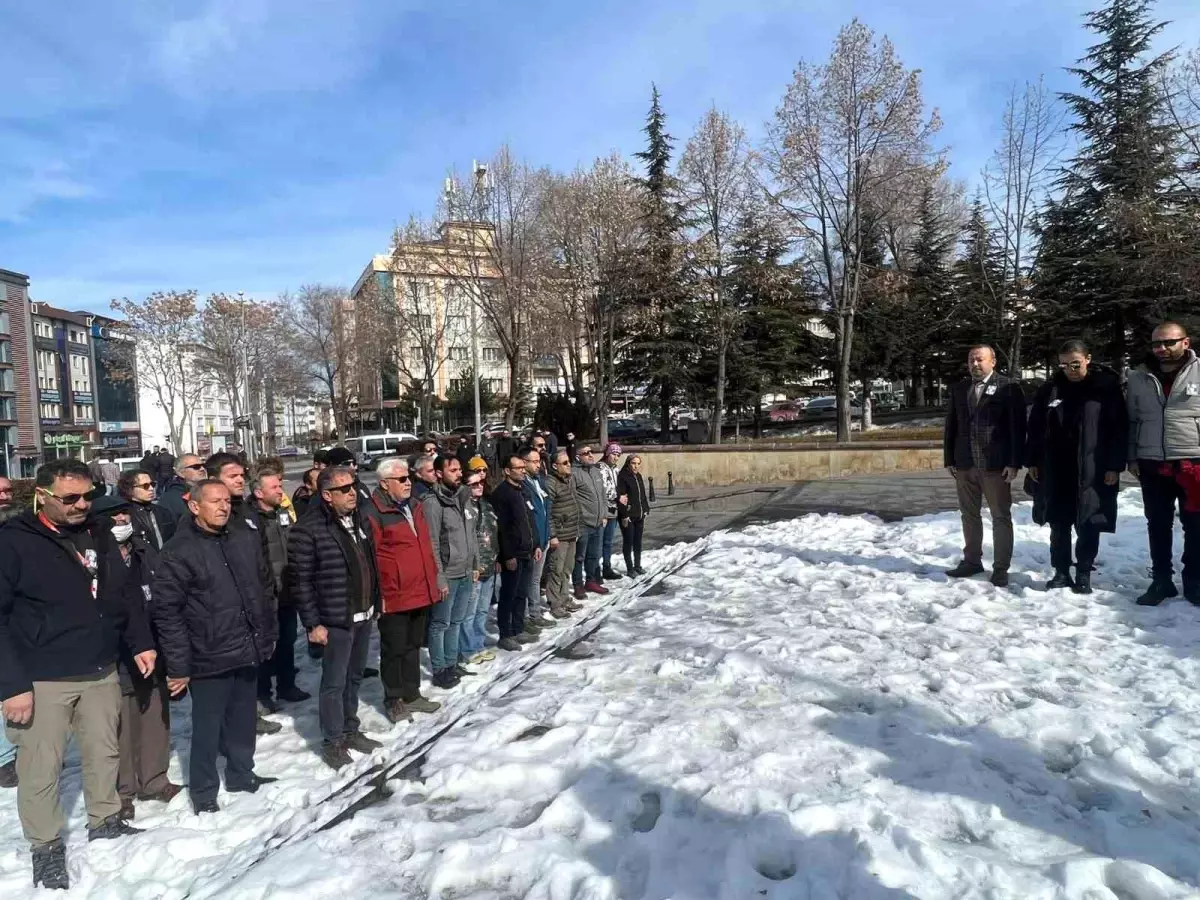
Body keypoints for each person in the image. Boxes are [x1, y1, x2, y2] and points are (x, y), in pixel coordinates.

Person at [0, 460, 152, 889]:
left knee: (103, 752)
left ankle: (104, 819)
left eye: (88, 496)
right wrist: (11, 686)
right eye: (70, 498)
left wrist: (140, 642)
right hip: (40, 678)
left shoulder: (98, 531)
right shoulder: (13, 542)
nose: (82, 505)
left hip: (99, 667)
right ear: (42, 496)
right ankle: (45, 846)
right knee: (40, 768)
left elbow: (123, 594)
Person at [153, 480, 278, 814]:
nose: (224, 507)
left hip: (246, 644)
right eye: (214, 502)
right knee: (207, 727)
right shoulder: (178, 551)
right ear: (194, 507)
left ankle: (241, 773)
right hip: (208, 653)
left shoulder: (244, 537)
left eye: (227, 501)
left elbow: (263, 586)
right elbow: (167, 614)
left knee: (243, 718)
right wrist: (179, 665)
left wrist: (267, 631)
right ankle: (204, 791)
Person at [90, 496, 183, 820]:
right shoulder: (94, 555)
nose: (120, 520)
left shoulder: (144, 550)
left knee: (155, 717)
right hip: (114, 654)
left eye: (123, 513)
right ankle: (123, 790)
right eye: (112, 516)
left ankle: (155, 780)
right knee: (120, 726)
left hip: (153, 646)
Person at [288, 467, 383, 769]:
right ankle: (333, 741)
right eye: (344, 489)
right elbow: (301, 582)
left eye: (354, 486)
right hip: (335, 618)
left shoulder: (358, 521)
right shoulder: (308, 529)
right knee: (334, 682)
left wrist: (376, 600)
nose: (353, 492)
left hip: (363, 612)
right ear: (327, 495)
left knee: (355, 677)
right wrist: (313, 624)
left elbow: (369, 564)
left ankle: (350, 728)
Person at [1025, 341, 1127, 595]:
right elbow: (1035, 426)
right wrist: (1032, 461)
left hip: (1093, 467)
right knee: (1058, 522)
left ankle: (1083, 571)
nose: (1069, 369)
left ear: (1087, 359)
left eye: (1075, 363)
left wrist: (1115, 465)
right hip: (1055, 468)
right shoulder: (1051, 389)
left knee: (1088, 521)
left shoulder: (1105, 388)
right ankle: (1061, 572)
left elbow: (1118, 428)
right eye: (1063, 364)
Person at [205, 453, 284, 734]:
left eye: (241, 474)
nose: (240, 480)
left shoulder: (247, 515)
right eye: (232, 476)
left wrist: (267, 596)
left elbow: (261, 561)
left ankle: (248, 717)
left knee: (251, 668)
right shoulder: (206, 517)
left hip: (255, 604)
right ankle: (229, 729)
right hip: (224, 613)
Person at [362, 458, 443, 722]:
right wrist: (378, 595)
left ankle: (412, 693)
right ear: (385, 484)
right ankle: (393, 698)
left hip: (419, 589)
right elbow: (369, 558)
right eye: (402, 479)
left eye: (409, 477)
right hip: (393, 595)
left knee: (412, 646)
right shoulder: (372, 513)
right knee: (394, 649)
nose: (409, 482)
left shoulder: (415, 506)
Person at [1126, 322, 1200, 605]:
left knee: (1196, 525)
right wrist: (1132, 456)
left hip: (1193, 461)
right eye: (1157, 343)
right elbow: (1132, 420)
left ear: (1185, 342)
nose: (1162, 349)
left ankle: (1194, 581)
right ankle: (1161, 580)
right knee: (1157, 524)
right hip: (1152, 462)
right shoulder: (1138, 377)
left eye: (1169, 342)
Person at [943, 345, 1027, 588]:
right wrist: (949, 458)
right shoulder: (960, 389)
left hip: (995, 465)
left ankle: (1001, 567)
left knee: (1000, 516)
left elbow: (1017, 428)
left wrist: (1014, 462)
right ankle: (971, 561)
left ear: (993, 361)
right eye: (971, 360)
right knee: (969, 515)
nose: (975, 364)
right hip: (965, 464)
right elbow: (952, 425)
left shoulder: (1008, 388)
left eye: (980, 359)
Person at [247, 466, 310, 708]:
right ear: (259, 493)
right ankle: (263, 694)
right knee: (266, 646)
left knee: (287, 640)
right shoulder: (250, 518)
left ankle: (287, 686)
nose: (280, 491)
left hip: (287, 590)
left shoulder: (283, 512)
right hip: (265, 593)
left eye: (280, 485)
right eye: (274, 487)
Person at [422, 456, 476, 688]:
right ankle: (440, 668)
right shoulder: (433, 503)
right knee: (441, 623)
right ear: (438, 473)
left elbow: (470, 533)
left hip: (465, 571)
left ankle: (452, 662)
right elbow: (432, 542)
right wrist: (439, 576)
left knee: (457, 621)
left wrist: (474, 565)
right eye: (452, 470)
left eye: (459, 469)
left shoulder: (463, 497)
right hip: (448, 573)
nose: (458, 473)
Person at [491, 455, 541, 651]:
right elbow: (501, 528)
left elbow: (530, 519)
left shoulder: (524, 489)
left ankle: (518, 628)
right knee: (508, 594)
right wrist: (507, 555)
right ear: (507, 471)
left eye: (523, 467)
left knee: (522, 593)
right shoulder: (502, 494)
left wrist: (536, 544)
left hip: (528, 550)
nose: (522, 470)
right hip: (513, 553)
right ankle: (506, 633)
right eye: (517, 467)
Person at [461, 465, 499, 665]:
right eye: (473, 484)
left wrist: (497, 558)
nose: (479, 486)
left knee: (483, 610)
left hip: (491, 564)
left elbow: (493, 534)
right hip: (474, 567)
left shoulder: (486, 504)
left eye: (481, 483)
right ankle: (467, 648)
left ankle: (478, 643)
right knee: (469, 611)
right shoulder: (463, 507)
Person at [521, 445, 557, 630]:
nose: (538, 464)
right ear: (524, 462)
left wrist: (550, 535)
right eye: (534, 461)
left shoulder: (540, 481)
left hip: (542, 539)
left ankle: (534, 612)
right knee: (531, 580)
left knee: (536, 579)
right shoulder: (522, 484)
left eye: (539, 461)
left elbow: (547, 510)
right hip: (531, 542)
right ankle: (532, 615)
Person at [546, 450, 585, 619]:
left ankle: (564, 598)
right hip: (560, 534)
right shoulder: (551, 483)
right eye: (565, 463)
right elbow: (547, 512)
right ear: (555, 466)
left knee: (567, 569)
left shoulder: (569, 480)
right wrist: (552, 535)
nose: (569, 465)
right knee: (556, 569)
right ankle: (555, 603)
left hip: (571, 531)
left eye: (569, 462)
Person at [572, 445, 610, 598]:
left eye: (591, 452)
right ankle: (578, 584)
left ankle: (591, 580)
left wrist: (605, 514)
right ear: (577, 457)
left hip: (599, 521)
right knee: (579, 556)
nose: (590, 455)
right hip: (583, 522)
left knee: (594, 554)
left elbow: (603, 494)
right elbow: (572, 498)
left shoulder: (596, 471)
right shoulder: (574, 473)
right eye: (585, 453)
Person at [118, 467, 176, 551]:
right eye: (145, 486)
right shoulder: (123, 514)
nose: (151, 489)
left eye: (152, 484)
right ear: (129, 489)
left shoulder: (163, 512)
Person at [617, 453, 650, 577]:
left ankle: (637, 565)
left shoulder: (638, 476)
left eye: (638, 464)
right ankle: (630, 568)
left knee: (638, 542)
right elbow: (621, 498)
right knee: (628, 541)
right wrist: (624, 515)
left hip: (639, 514)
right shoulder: (623, 477)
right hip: (628, 516)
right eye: (633, 463)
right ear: (628, 463)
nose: (636, 466)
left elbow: (642, 495)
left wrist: (646, 508)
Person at [158, 454, 207, 523]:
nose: (202, 469)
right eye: (196, 467)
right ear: (180, 473)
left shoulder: (211, 490)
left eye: (204, 465)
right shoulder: (170, 499)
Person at [598, 443, 623, 580]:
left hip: (614, 509)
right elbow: (603, 490)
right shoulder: (600, 468)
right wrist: (617, 496)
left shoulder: (616, 469)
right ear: (607, 453)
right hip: (603, 508)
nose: (616, 457)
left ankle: (606, 567)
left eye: (618, 455)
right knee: (599, 541)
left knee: (608, 541)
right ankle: (595, 569)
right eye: (613, 454)